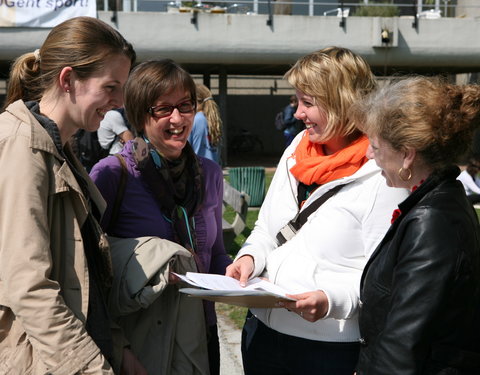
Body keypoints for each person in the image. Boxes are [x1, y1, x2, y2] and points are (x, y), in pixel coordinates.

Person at [225, 46, 408, 375]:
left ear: (344, 104)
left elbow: (384, 278)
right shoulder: (297, 148)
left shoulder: (384, 173)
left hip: (328, 350)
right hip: (262, 333)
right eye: (297, 101)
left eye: (308, 103)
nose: (296, 113)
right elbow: (267, 229)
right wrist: (249, 257)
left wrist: (330, 300)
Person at [0, 16, 145, 374]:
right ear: (68, 80)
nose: (120, 101)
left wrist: (117, 346)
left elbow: (85, 270)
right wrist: (90, 367)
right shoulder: (23, 145)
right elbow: (28, 285)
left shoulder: (58, 145)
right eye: (111, 86)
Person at [90, 59, 232, 375]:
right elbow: (89, 269)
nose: (178, 118)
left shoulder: (208, 174)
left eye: (185, 106)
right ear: (141, 115)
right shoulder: (113, 174)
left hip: (200, 332)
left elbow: (216, 254)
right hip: (140, 338)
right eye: (163, 109)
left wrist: (237, 272)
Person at [350, 76, 480, 375]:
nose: (369, 155)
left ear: (407, 154)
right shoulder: (438, 201)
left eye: (374, 146)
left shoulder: (431, 221)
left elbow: (403, 343)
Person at [188, 83, 222, 164]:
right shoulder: (214, 119)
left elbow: (184, 150)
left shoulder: (196, 120)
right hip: (213, 170)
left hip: (199, 170)